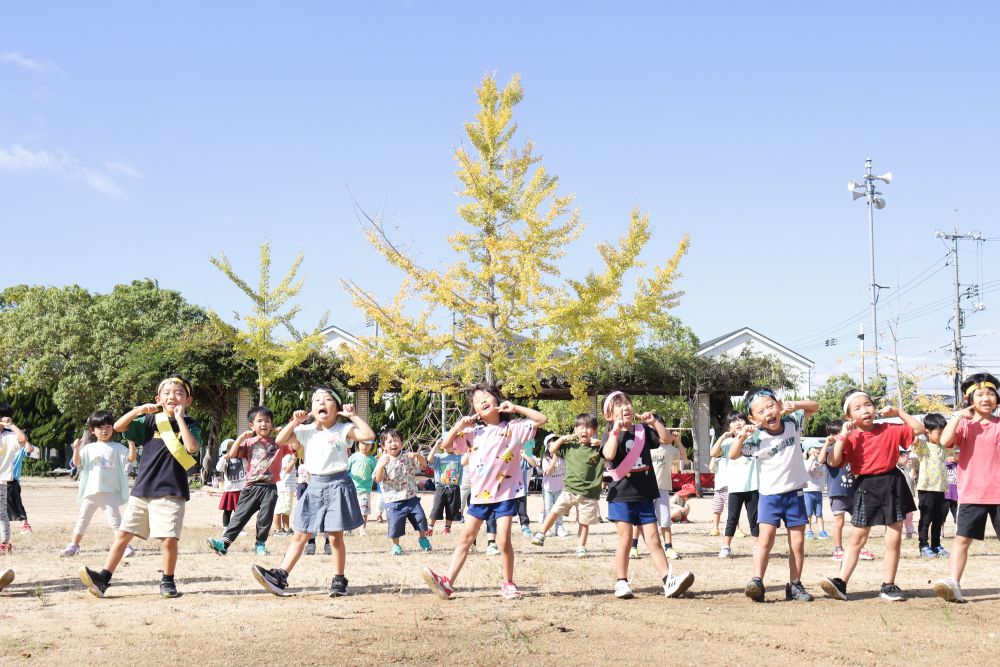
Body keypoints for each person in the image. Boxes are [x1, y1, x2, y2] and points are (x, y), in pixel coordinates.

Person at [79, 374, 201, 599]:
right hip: (143, 486)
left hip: (171, 488)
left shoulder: (191, 423)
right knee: (123, 534)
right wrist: (139, 411)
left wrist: (180, 418)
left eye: (178, 393)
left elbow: (192, 448)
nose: (172, 397)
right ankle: (104, 579)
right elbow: (118, 426)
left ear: (188, 400)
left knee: (169, 538)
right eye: (166, 393)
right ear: (158, 398)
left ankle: (168, 580)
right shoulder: (150, 421)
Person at [422, 384, 546, 600]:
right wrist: (460, 423)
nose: (483, 401)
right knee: (465, 539)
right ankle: (448, 582)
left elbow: (541, 419)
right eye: (477, 401)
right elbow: (446, 445)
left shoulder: (514, 427)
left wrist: (515, 407)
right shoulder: (472, 433)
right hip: (480, 496)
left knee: (503, 540)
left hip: (505, 495)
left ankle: (508, 582)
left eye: (487, 397)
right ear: (475, 410)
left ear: (498, 401)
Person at [252, 387, 375, 597]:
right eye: (316, 400)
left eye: (327, 400)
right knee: (300, 533)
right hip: (314, 485)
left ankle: (339, 579)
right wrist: (295, 421)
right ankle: (281, 576)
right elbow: (281, 439)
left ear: (336, 408)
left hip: (338, 484)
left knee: (335, 536)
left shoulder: (343, 429)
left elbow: (369, 435)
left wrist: (353, 416)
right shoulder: (306, 430)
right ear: (311, 408)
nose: (321, 403)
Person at [819, 388, 925, 602]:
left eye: (868, 405)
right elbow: (832, 461)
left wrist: (898, 412)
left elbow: (919, 429)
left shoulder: (889, 428)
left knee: (894, 537)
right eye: (857, 408)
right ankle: (840, 581)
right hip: (865, 484)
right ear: (849, 417)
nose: (865, 410)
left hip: (892, 482)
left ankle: (889, 584)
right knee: (858, 537)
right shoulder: (849, 436)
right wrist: (842, 436)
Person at [599, 391, 694, 599]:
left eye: (627, 403)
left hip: (645, 495)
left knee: (654, 539)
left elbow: (666, 439)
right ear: (609, 415)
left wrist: (654, 423)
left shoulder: (643, 431)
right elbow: (609, 454)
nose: (625, 407)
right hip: (621, 497)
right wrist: (615, 430)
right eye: (619, 405)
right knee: (625, 540)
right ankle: (621, 582)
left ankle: (668, 581)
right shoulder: (609, 435)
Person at [728, 389, 817, 602]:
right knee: (764, 541)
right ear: (753, 418)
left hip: (794, 493)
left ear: (778, 405)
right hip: (769, 497)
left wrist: (795, 405)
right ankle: (757, 581)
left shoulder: (792, 423)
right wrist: (742, 435)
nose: (768, 412)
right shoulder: (756, 438)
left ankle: (795, 585)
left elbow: (814, 406)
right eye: (761, 411)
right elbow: (733, 454)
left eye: (770, 406)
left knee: (797, 542)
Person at [933, 373, 1000, 603]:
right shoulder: (964, 425)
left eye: (991, 393)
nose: (986, 398)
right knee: (962, 539)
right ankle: (954, 583)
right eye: (980, 394)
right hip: (973, 493)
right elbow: (944, 441)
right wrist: (957, 416)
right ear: (969, 399)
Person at [207, 406, 294, 556]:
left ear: (272, 424)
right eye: (259, 421)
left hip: (270, 487)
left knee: (265, 518)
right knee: (239, 516)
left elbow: (296, 447)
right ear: (251, 425)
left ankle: (260, 545)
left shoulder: (279, 443)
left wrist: (286, 433)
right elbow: (232, 454)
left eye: (267, 421)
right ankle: (224, 544)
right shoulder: (249, 443)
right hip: (251, 487)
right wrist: (241, 438)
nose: (264, 424)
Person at [60, 411, 137, 557]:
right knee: (83, 519)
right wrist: (76, 449)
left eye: (108, 427)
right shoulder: (88, 448)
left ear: (113, 429)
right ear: (92, 430)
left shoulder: (117, 447)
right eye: (100, 428)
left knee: (116, 522)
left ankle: (125, 546)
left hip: (109, 492)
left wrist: (131, 443)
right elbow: (76, 463)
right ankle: (74, 545)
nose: (104, 431)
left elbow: (131, 458)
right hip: (91, 491)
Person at [530, 413, 605, 557]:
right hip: (569, 489)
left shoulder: (598, 449)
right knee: (554, 511)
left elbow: (612, 451)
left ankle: (581, 547)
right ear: (575, 430)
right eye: (580, 427)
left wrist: (601, 443)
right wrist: (563, 438)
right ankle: (541, 533)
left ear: (594, 430)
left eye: (589, 427)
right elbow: (552, 450)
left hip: (589, 493)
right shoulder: (570, 447)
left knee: (584, 522)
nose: (584, 431)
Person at [818, 421, 875, 563]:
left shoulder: (851, 449)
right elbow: (820, 460)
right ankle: (838, 549)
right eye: (838, 433)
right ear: (832, 435)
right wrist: (827, 443)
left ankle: (859, 548)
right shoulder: (831, 450)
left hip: (854, 491)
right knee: (839, 521)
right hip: (838, 492)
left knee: (860, 522)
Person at [374, 429, 431, 555]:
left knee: (421, 518)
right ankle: (396, 546)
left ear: (401, 443)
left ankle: (423, 538)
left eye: (396, 440)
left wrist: (417, 455)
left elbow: (424, 465)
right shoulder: (382, 460)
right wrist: (381, 466)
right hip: (393, 500)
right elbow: (378, 479)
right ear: (383, 446)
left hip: (410, 496)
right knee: (395, 524)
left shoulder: (407, 456)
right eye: (389, 442)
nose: (393, 444)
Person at [713, 412, 758, 558]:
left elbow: (760, 426)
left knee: (754, 519)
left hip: (753, 485)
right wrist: (722, 437)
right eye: (733, 421)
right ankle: (726, 546)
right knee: (732, 518)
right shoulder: (728, 443)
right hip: (735, 487)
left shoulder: (755, 438)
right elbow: (714, 453)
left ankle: (756, 546)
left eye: (740, 420)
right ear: (729, 426)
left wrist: (753, 428)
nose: (738, 423)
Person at [914, 413, 950, 558]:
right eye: (939, 433)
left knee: (938, 519)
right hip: (926, 489)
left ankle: (936, 545)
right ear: (927, 432)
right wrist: (920, 429)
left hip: (941, 489)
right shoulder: (923, 445)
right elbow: (914, 438)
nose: (942, 436)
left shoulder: (943, 446)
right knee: (926, 518)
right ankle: (923, 545)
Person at [648, 424, 687, 559]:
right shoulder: (646, 447)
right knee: (640, 520)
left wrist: (677, 441)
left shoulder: (670, 449)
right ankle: (634, 546)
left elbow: (684, 456)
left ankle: (669, 547)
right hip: (645, 489)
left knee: (665, 520)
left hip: (662, 489)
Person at [0, 404, 30, 552]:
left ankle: (4, 543)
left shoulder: (9, 437)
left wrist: (11, 425)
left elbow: (23, 440)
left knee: (1, 513)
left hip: (1, 481)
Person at [427, 439, 463, 536]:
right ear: (442, 446)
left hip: (454, 487)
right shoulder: (439, 457)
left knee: (451, 509)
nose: (451, 445)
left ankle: (447, 528)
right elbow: (429, 459)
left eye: (453, 442)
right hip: (441, 486)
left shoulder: (459, 457)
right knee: (436, 508)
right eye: (449, 443)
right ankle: (430, 527)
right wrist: (435, 445)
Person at [7, 435, 37, 534]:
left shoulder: (19, 450)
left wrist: (24, 439)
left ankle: (25, 525)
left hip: (12, 481)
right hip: (1, 480)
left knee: (17, 504)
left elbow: (30, 449)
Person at [539, 434, 567, 537]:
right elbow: (548, 472)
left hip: (560, 487)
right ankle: (547, 528)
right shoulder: (546, 459)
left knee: (559, 508)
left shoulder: (563, 458)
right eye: (552, 442)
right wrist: (554, 458)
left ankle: (559, 527)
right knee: (548, 509)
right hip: (548, 489)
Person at [347, 439, 377, 532]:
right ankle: (348, 528)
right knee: (350, 508)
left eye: (368, 445)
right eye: (363, 444)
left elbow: (375, 473)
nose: (365, 446)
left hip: (365, 489)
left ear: (371, 446)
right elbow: (346, 469)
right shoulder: (353, 457)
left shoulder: (372, 460)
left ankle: (362, 528)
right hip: (352, 488)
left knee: (364, 509)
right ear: (358, 444)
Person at [214, 439, 244, 529]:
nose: (233, 451)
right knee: (227, 510)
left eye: (235, 448)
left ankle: (239, 528)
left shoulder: (242, 460)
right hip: (229, 490)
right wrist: (224, 458)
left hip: (240, 490)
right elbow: (219, 468)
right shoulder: (225, 461)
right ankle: (225, 527)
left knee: (239, 511)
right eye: (229, 449)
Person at [803, 444, 828, 540]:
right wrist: (811, 459)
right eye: (815, 448)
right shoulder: (806, 462)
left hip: (818, 491)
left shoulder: (820, 462)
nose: (817, 450)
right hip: (808, 491)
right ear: (809, 451)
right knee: (808, 513)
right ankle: (809, 531)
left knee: (819, 513)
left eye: (818, 449)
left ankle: (822, 531)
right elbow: (806, 470)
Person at [272, 451, 297, 536]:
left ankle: (286, 528)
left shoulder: (290, 455)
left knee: (286, 510)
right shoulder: (287, 456)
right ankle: (277, 529)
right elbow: (287, 470)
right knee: (278, 510)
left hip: (289, 488)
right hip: (283, 487)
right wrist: (293, 461)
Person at [897, 448, 917, 539]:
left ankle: (910, 530)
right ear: (899, 457)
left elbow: (912, 477)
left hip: (908, 493)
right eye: (905, 455)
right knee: (900, 513)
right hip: (898, 494)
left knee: (909, 513)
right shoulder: (895, 468)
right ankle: (902, 531)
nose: (907, 457)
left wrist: (913, 466)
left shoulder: (907, 467)